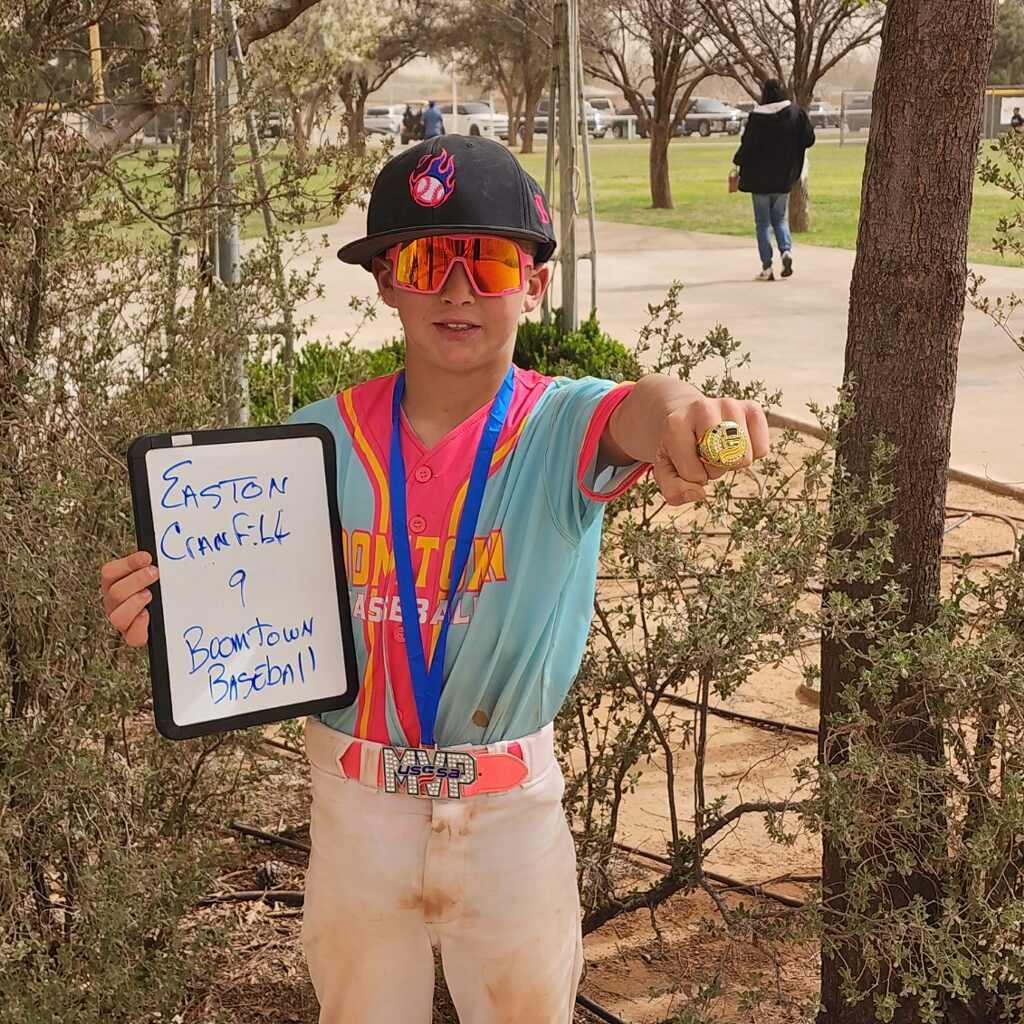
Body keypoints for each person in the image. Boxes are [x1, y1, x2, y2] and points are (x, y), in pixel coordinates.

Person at [99, 135, 770, 1023]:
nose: (458, 290)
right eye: (425, 262)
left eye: (489, 262)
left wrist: (685, 415)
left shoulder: (558, 425)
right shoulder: (313, 440)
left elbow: (641, 410)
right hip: (357, 807)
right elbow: (252, 592)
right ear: (387, 281)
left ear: (534, 283)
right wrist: (175, 608)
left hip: (508, 815)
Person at [732, 79, 816, 281]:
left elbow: (747, 146)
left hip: (759, 180)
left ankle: (767, 267)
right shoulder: (796, 114)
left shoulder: (756, 117)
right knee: (780, 219)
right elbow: (809, 139)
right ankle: (786, 251)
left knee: (763, 224)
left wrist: (737, 161)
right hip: (783, 178)